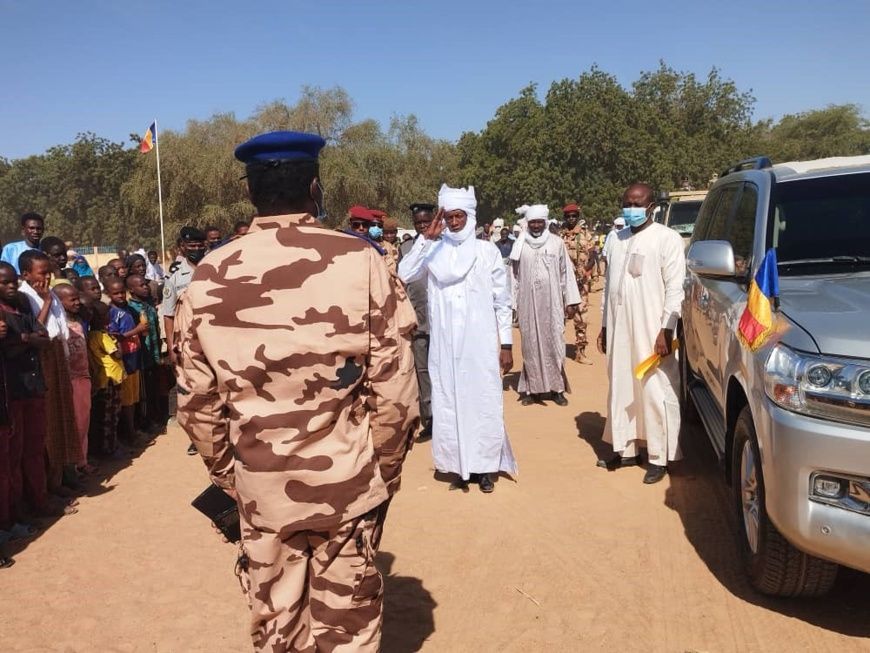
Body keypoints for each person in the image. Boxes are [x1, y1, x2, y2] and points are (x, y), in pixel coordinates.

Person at [175, 131, 419, 652]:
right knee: (347, 628)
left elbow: (196, 402)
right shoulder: (362, 261)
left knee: (277, 625)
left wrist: (232, 478)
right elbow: (395, 388)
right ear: (314, 187)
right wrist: (383, 471)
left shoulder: (208, 274)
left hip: (260, 488)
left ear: (250, 192)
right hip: (347, 482)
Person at [398, 184, 515, 493]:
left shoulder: (487, 252)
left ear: (470, 216)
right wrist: (426, 239)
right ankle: (460, 467)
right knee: (450, 401)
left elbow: (502, 301)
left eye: (459, 216)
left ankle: (485, 467)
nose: (453, 222)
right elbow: (404, 274)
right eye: (448, 216)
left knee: (483, 402)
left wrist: (506, 344)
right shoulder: (433, 250)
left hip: (479, 344)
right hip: (445, 345)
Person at [597, 183, 686, 484]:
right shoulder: (616, 239)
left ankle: (659, 457)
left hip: (653, 329)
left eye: (637, 203)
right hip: (619, 327)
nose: (631, 208)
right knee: (621, 386)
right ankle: (626, 449)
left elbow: (675, 288)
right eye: (627, 203)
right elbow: (609, 287)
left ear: (651, 207)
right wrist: (605, 325)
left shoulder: (667, 239)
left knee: (655, 389)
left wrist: (667, 329)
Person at [18, 250, 81, 498]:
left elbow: (61, 328)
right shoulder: (24, 297)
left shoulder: (51, 293)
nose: (46, 278)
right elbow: (37, 329)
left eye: (49, 273)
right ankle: (48, 485)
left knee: (63, 416)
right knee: (49, 422)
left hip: (57, 356)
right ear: (26, 274)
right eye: (42, 273)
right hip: (42, 359)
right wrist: (44, 302)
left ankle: (62, 475)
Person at [511, 205, 581, 406]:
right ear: (527, 223)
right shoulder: (520, 245)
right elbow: (513, 276)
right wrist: (513, 304)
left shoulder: (557, 243)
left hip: (553, 304)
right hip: (528, 304)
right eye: (532, 222)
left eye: (539, 222)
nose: (535, 225)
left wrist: (570, 301)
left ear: (545, 222)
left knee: (555, 343)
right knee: (530, 345)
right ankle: (532, 391)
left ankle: (557, 389)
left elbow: (566, 272)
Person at [0, 261, 53, 526]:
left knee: (34, 447)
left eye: (13, 281)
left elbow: (44, 337)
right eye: (4, 282)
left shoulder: (21, 304)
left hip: (32, 386)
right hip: (12, 392)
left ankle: (38, 501)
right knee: (13, 456)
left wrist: (24, 338)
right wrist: (27, 339)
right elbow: (8, 350)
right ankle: (15, 512)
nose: (11, 286)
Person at [399, 202, 435, 440]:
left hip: (443, 323)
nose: (422, 226)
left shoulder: (444, 245)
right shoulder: (406, 248)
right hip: (419, 322)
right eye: (418, 222)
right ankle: (429, 420)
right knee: (423, 373)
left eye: (426, 222)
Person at [53, 284, 94, 474]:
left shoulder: (78, 323)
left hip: (83, 377)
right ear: (60, 302)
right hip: (70, 381)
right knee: (74, 424)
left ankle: (82, 461)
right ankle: (73, 466)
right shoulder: (59, 327)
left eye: (78, 298)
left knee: (84, 422)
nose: (77, 302)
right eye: (72, 299)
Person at [105, 278, 148, 448]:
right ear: (108, 294)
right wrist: (137, 330)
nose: (120, 296)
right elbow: (115, 337)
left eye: (122, 292)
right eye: (116, 293)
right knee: (127, 399)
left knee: (133, 396)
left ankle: (133, 429)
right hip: (124, 359)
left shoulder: (128, 309)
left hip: (134, 356)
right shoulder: (112, 313)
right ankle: (129, 433)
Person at [161, 227, 206, 367]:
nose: (197, 249)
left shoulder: (213, 268)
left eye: (200, 245)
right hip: (188, 340)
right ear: (183, 246)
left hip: (213, 335)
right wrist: (171, 348)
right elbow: (168, 315)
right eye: (192, 246)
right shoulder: (174, 279)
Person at [86, 301, 124, 458]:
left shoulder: (91, 335)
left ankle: (106, 447)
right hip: (110, 379)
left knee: (103, 415)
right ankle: (109, 448)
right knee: (110, 416)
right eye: (107, 314)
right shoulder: (102, 336)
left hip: (103, 378)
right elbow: (117, 354)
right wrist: (118, 341)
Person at [126, 274, 163, 434]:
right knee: (144, 392)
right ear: (131, 290)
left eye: (145, 284)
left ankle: (155, 418)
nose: (146, 287)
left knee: (153, 387)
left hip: (153, 353)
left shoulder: (148, 305)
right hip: (141, 357)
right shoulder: (131, 309)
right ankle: (145, 423)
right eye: (141, 285)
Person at [560, 204, 593, 362]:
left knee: (581, 317)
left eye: (574, 216)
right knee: (559, 316)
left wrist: (586, 270)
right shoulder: (558, 235)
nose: (571, 218)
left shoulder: (586, 234)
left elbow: (593, 256)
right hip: (562, 282)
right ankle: (556, 352)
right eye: (568, 216)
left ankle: (580, 351)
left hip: (580, 282)